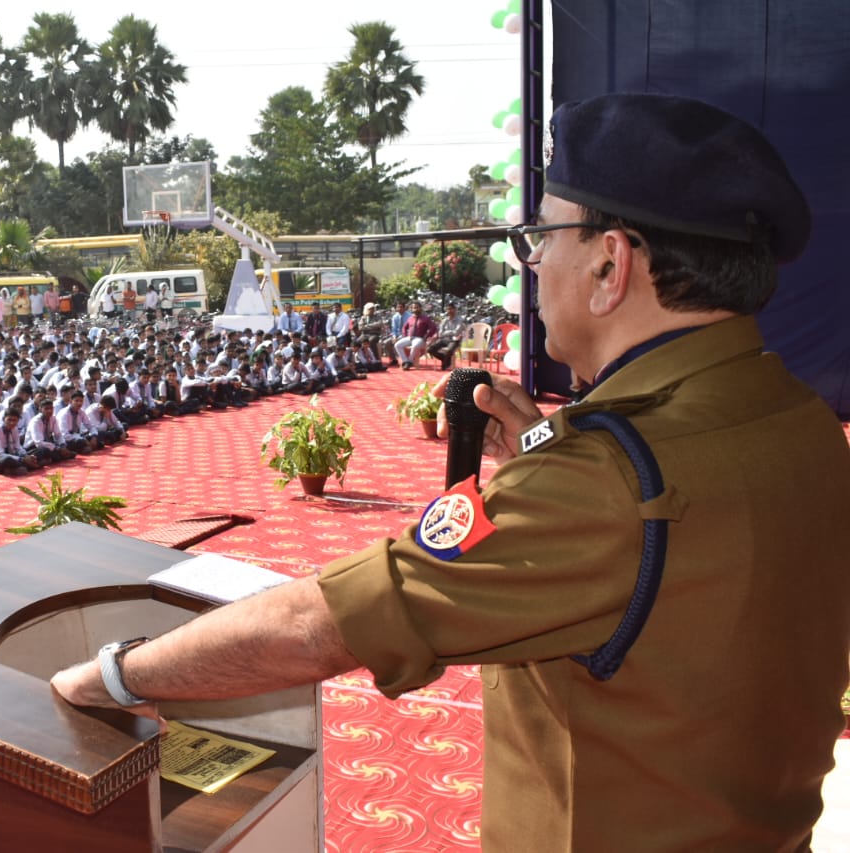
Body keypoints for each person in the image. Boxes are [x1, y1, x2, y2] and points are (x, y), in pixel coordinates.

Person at [50, 93, 850, 850]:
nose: (533, 264)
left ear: (610, 266)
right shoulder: (799, 417)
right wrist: (548, 449)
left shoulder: (604, 479)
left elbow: (319, 623)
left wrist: (115, 674)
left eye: (543, 236)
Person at [394, 302, 438, 369]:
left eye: (417, 307)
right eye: (413, 308)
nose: (415, 309)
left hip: (420, 339)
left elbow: (433, 328)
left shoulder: (425, 318)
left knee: (414, 346)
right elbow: (404, 328)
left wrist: (426, 337)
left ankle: (410, 362)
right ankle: (405, 361)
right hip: (410, 338)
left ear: (420, 308)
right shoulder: (410, 318)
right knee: (397, 345)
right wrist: (405, 335)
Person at [427, 304, 465, 369]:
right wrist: (450, 332)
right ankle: (444, 358)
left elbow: (456, 332)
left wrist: (446, 332)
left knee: (449, 350)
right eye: (448, 309)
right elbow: (440, 333)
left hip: (454, 340)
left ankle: (445, 362)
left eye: (451, 309)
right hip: (444, 339)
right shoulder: (444, 320)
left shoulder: (459, 320)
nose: (449, 311)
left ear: (455, 310)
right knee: (430, 349)